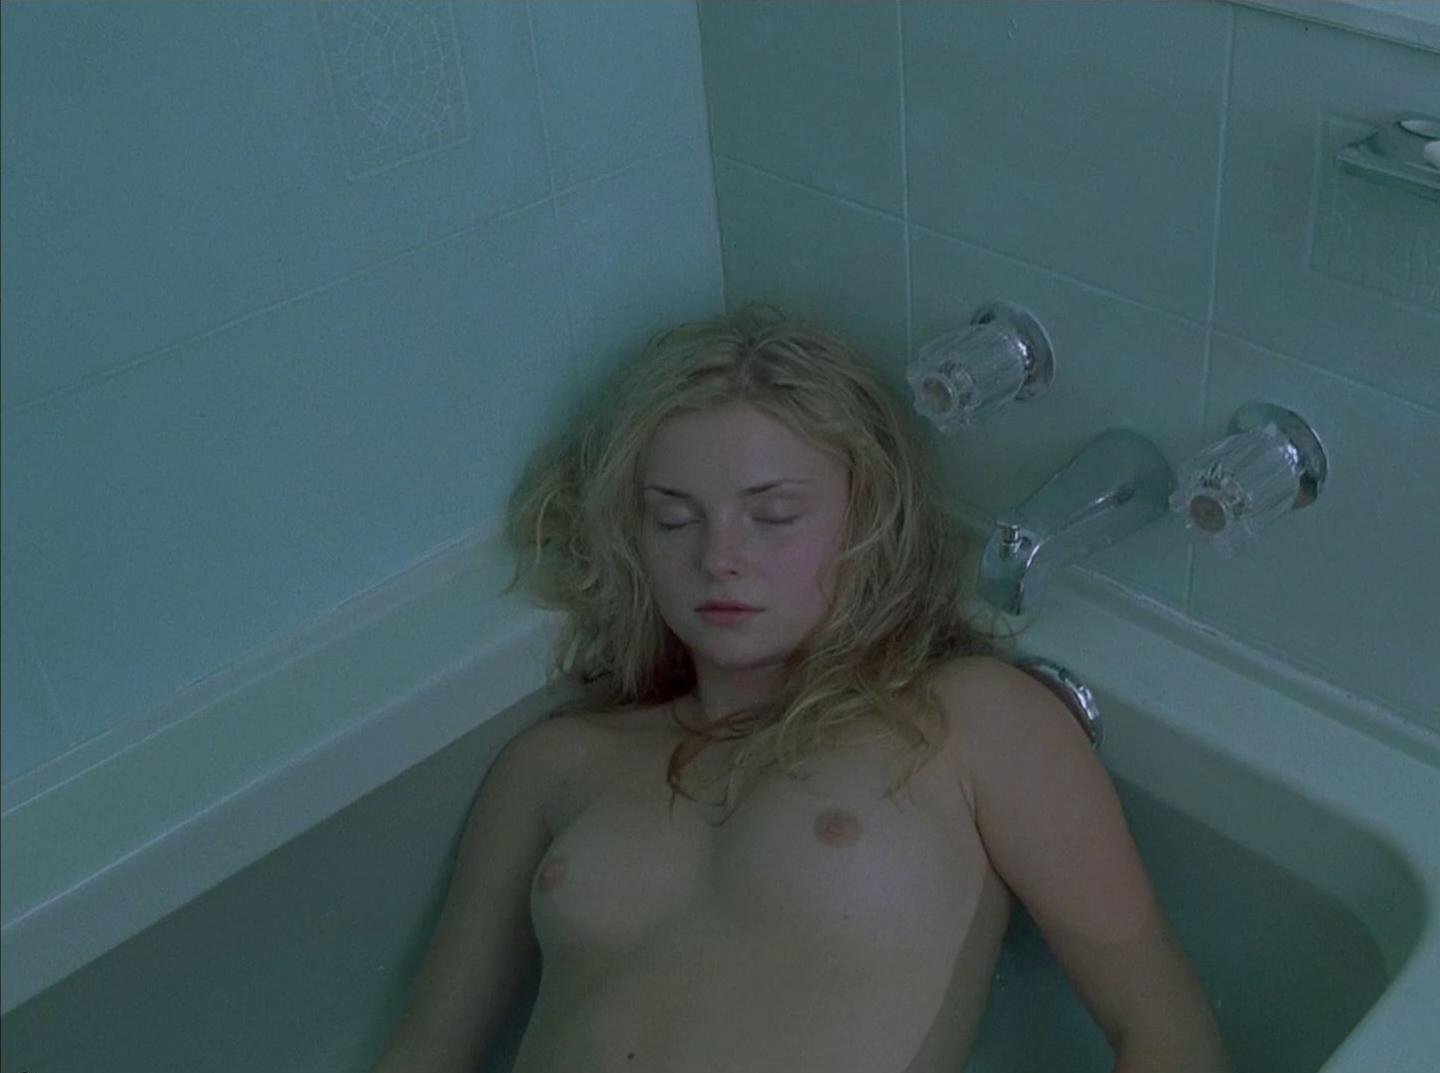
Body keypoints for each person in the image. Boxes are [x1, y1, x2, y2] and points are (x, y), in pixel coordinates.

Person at [369, 305, 1232, 1073]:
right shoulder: (555, 761)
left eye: (774, 515)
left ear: (868, 518)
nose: (720, 558)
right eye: (674, 517)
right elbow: (424, 1053)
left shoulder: (969, 721)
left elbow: (1172, 1038)